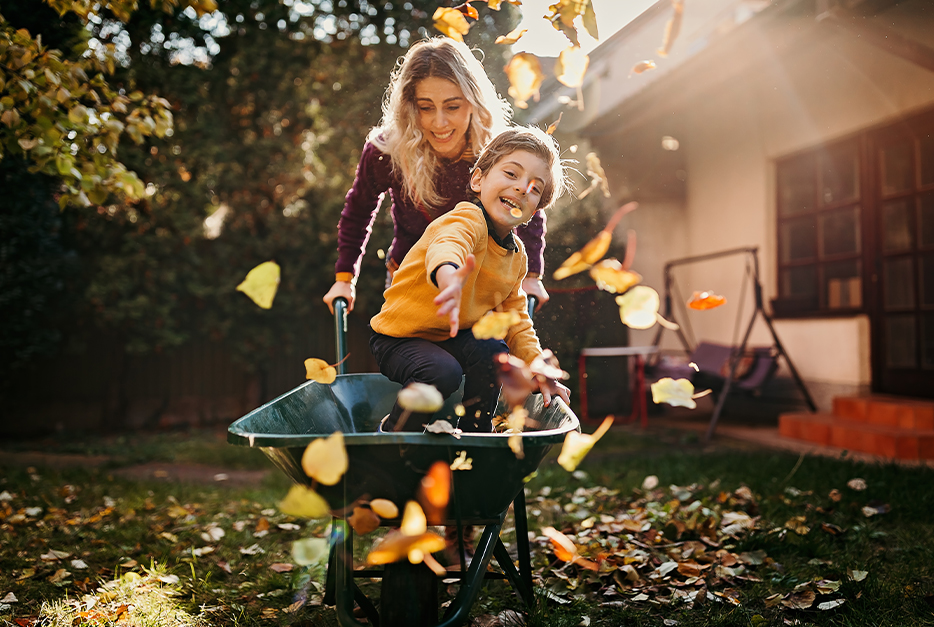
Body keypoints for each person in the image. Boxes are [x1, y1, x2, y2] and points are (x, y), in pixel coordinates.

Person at [322, 37, 550, 315]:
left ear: (473, 102)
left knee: (484, 358)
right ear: (410, 106)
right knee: (417, 359)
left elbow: (525, 204)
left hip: (481, 282)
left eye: (452, 106)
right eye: (426, 107)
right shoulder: (388, 151)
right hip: (410, 280)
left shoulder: (496, 152)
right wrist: (345, 278)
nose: (439, 122)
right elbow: (358, 212)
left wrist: (531, 276)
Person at [369, 127, 571, 433]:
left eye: (534, 188)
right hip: (399, 337)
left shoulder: (516, 258)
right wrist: (449, 277)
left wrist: (538, 368)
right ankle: (396, 432)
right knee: (442, 372)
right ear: (478, 180)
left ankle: (476, 434)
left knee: (494, 351)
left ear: (533, 212)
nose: (520, 188)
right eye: (511, 174)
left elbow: (516, 321)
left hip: (451, 337)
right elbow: (448, 244)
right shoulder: (466, 219)